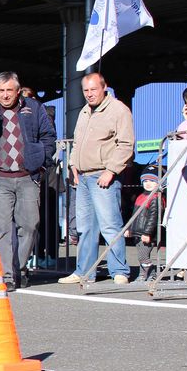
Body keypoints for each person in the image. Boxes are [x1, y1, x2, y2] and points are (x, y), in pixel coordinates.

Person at [0, 71, 56, 289]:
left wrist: (42, 162)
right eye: (1, 91)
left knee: (29, 226)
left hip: (28, 176)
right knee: (1, 230)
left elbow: (48, 136)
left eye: (9, 90)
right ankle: (7, 276)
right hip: (0, 178)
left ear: (18, 91)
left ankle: (20, 268)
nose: (5, 95)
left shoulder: (34, 108)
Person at [59, 73, 134, 285]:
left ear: (104, 87)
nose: (89, 94)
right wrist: (73, 164)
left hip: (103, 176)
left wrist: (111, 171)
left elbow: (126, 144)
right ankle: (84, 271)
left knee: (110, 225)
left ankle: (119, 270)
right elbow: (77, 141)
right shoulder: (85, 111)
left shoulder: (118, 110)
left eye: (93, 89)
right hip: (82, 178)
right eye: (86, 90)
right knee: (85, 228)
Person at [127, 170, 163, 282]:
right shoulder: (141, 196)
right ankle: (143, 275)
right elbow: (135, 215)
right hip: (138, 232)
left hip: (147, 234)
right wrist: (129, 228)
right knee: (141, 256)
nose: (148, 183)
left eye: (152, 181)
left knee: (143, 256)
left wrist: (147, 233)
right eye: (145, 181)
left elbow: (153, 218)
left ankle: (151, 273)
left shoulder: (156, 198)